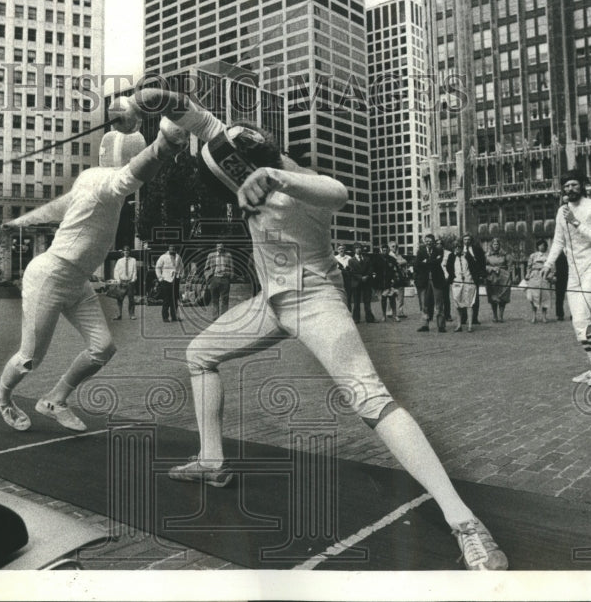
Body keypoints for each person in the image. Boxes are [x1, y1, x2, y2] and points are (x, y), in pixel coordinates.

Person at [126, 86, 507, 571]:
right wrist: (154, 97)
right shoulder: (239, 151)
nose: (234, 181)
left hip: (315, 301)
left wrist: (274, 176)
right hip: (270, 303)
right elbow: (199, 119)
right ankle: (212, 459)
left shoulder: (301, 188)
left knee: (369, 398)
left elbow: (338, 192)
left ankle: (465, 523)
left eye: (238, 174)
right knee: (200, 354)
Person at [0, 114, 190, 433]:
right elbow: (134, 174)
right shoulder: (109, 183)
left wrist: (20, 222)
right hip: (49, 277)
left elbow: (58, 207)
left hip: (76, 281)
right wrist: (163, 146)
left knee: (103, 347)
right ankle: (2, 395)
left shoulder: (89, 178)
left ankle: (54, 400)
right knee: (29, 358)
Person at [539, 170, 591, 386]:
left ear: (582, 186)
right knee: (578, 324)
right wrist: (548, 263)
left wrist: (576, 222)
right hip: (573, 273)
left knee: (583, 318)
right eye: (566, 186)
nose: (570, 189)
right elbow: (559, 241)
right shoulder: (562, 212)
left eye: (574, 185)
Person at [414, 234, 448, 333]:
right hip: (424, 280)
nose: (428, 242)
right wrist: (429, 262)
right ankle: (425, 324)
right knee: (424, 304)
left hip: (436, 279)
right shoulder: (421, 251)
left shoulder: (439, 250)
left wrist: (425, 262)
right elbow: (417, 264)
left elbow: (438, 262)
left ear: (433, 241)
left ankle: (441, 326)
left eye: (430, 241)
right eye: (426, 241)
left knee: (439, 303)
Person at [445, 237, 476, 332]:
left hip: (468, 282)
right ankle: (459, 325)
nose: (457, 248)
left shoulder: (467, 255)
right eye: (455, 247)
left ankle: (470, 325)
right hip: (457, 282)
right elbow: (449, 268)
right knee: (457, 303)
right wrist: (453, 278)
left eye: (459, 246)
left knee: (469, 303)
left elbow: (474, 267)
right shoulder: (451, 256)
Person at [484, 238, 514, 322]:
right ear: (492, 245)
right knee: (493, 296)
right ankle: (495, 316)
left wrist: (508, 275)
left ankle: (501, 316)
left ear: (500, 245)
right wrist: (492, 268)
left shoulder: (505, 255)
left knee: (502, 296)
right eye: (494, 244)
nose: (496, 246)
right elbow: (484, 266)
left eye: (497, 244)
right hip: (492, 277)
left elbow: (510, 266)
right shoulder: (487, 255)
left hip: (503, 277)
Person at [459, 234, 486, 325]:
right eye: (465, 239)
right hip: (461, 277)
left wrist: (481, 274)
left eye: (468, 239)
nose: (467, 241)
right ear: (462, 240)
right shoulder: (459, 249)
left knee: (475, 298)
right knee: (462, 297)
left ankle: (474, 318)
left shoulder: (477, 250)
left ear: (471, 240)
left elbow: (482, 262)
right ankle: (463, 318)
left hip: (474, 277)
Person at [524, 239, 553, 323]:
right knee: (533, 297)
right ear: (537, 246)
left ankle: (544, 316)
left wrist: (550, 276)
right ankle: (534, 316)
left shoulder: (549, 256)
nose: (541, 247)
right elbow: (528, 266)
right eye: (540, 245)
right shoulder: (533, 256)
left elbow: (552, 268)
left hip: (544, 276)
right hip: (534, 276)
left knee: (545, 297)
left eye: (543, 245)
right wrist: (528, 274)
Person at [204, 242, 234, 320]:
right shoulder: (211, 255)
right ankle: (215, 317)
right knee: (214, 299)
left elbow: (231, 267)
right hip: (215, 278)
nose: (220, 248)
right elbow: (206, 268)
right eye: (218, 246)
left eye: (221, 246)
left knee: (225, 299)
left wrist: (230, 277)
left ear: (223, 247)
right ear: (216, 247)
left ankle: (223, 317)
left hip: (225, 279)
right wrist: (208, 277)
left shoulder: (228, 255)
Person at [155, 244, 184, 322]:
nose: (172, 250)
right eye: (171, 248)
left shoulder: (178, 257)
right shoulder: (163, 257)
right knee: (166, 299)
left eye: (174, 248)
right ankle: (165, 317)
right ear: (168, 249)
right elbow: (158, 267)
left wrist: (180, 275)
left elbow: (181, 267)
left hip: (175, 280)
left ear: (175, 249)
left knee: (175, 300)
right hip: (166, 280)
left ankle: (174, 316)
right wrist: (160, 278)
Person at [349, 243, 377, 323]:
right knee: (356, 302)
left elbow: (371, 269)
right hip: (356, 283)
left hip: (366, 282)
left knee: (367, 301)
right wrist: (361, 277)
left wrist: (367, 276)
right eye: (357, 248)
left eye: (360, 248)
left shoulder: (367, 259)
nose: (359, 249)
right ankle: (356, 318)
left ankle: (369, 318)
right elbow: (352, 272)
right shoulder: (351, 260)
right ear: (354, 250)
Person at [112, 246, 138, 320]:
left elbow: (134, 271)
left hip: (130, 282)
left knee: (131, 299)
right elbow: (116, 271)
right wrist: (118, 280)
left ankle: (132, 314)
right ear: (123, 252)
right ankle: (119, 315)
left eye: (128, 251)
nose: (126, 252)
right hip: (121, 282)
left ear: (129, 252)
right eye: (125, 251)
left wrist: (133, 279)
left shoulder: (133, 260)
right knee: (119, 299)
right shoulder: (119, 261)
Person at [333, 244, 354, 308]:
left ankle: (349, 312)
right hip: (339, 280)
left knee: (348, 297)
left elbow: (352, 268)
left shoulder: (349, 258)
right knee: (339, 297)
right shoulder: (335, 258)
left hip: (347, 280)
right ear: (337, 250)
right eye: (339, 249)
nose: (341, 250)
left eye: (342, 248)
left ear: (345, 249)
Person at [554, 251, 569, 321]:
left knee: (573, 296)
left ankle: (574, 314)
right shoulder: (557, 254)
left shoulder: (572, 252)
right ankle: (560, 315)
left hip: (571, 277)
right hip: (560, 278)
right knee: (559, 297)